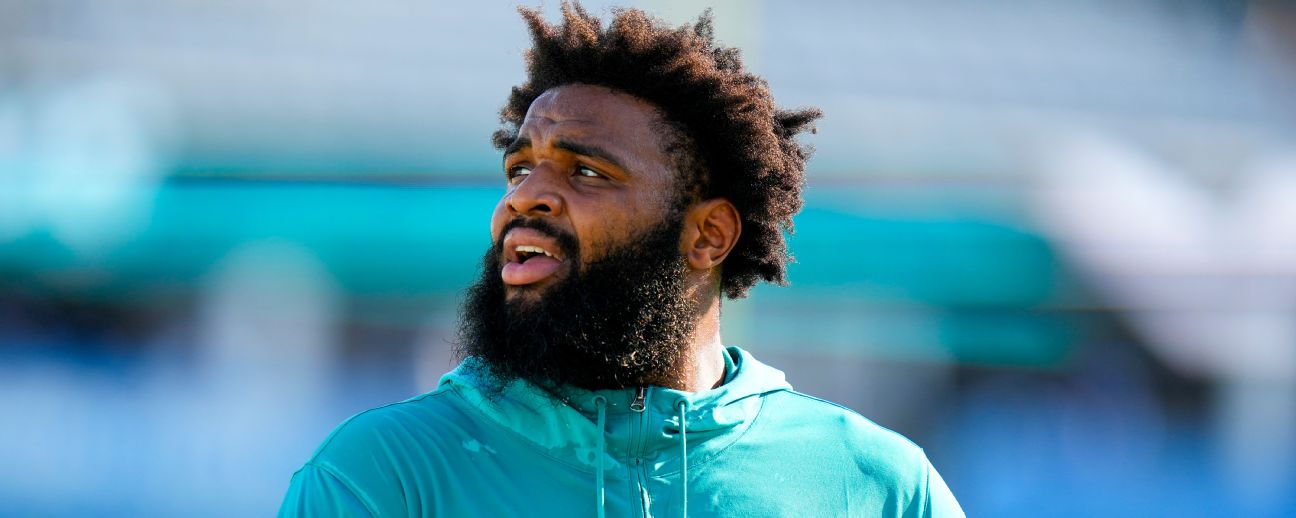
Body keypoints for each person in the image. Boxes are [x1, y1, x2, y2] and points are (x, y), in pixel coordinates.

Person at [279, 4, 963, 516]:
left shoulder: (877, 485)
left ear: (708, 236)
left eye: (587, 173)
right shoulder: (382, 475)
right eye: (520, 170)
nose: (527, 199)